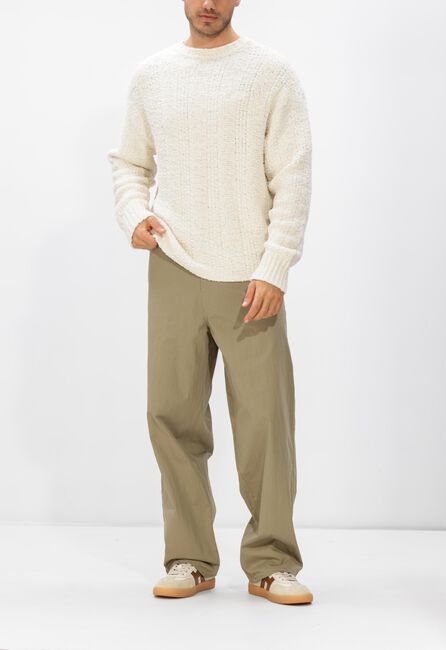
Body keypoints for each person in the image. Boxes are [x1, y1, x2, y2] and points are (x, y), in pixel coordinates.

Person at [107, 0, 313, 606]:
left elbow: (294, 175)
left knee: (265, 423)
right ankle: (190, 558)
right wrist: (134, 213)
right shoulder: (153, 75)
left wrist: (275, 265)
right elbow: (130, 163)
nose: (207, 4)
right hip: (173, 262)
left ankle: (272, 562)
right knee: (172, 415)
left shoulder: (271, 72)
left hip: (250, 274)